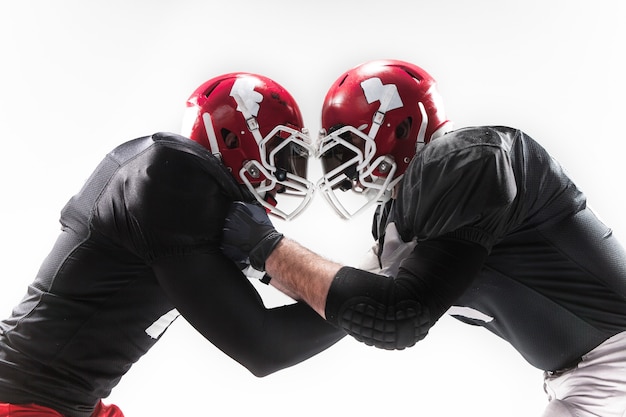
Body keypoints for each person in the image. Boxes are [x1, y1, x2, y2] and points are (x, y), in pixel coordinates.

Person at [220, 59, 626, 417]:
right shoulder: (409, 214)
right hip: (590, 386)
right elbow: (348, 305)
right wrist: (259, 266)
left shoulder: (467, 158)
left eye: (348, 150)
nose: (345, 175)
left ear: (399, 126)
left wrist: (267, 247)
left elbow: (396, 318)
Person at [0, 72, 344, 417]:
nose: (287, 175)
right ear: (233, 139)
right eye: (282, 157)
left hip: (68, 401)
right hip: (23, 399)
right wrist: (375, 296)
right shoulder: (169, 182)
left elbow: (306, 292)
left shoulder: (189, 205)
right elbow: (265, 347)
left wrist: (365, 285)